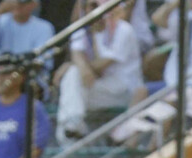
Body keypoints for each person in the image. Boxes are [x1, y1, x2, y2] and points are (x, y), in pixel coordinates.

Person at [56, 0, 142, 142]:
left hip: (125, 92)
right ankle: (71, 133)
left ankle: (72, 130)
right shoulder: (81, 31)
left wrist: (79, 64)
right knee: (71, 80)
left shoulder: (123, 29)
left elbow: (100, 67)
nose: (92, 10)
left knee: (71, 79)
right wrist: (77, 65)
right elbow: (78, 58)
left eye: (96, 6)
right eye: (89, 6)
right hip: (99, 89)